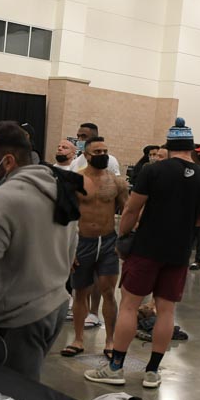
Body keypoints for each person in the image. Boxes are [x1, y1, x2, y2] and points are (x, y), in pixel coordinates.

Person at [84, 118, 200, 388]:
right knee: (166, 311)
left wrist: (123, 235)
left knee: (129, 306)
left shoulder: (154, 171)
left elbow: (132, 208)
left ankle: (116, 368)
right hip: (179, 251)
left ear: (169, 146)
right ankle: (153, 372)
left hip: (147, 247)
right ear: (191, 148)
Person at [0, 121, 78, 381]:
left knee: (13, 391)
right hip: (55, 304)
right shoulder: (58, 186)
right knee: (27, 384)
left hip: (21, 316)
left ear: (7, 161)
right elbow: (66, 246)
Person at [61, 136, 128, 359]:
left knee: (109, 291)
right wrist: (69, 249)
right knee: (81, 292)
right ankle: (78, 339)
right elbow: (65, 217)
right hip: (83, 242)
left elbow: (128, 212)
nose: (103, 155)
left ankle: (110, 341)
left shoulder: (117, 183)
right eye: (97, 152)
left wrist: (125, 242)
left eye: (105, 151)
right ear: (86, 155)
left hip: (108, 242)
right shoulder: (75, 181)